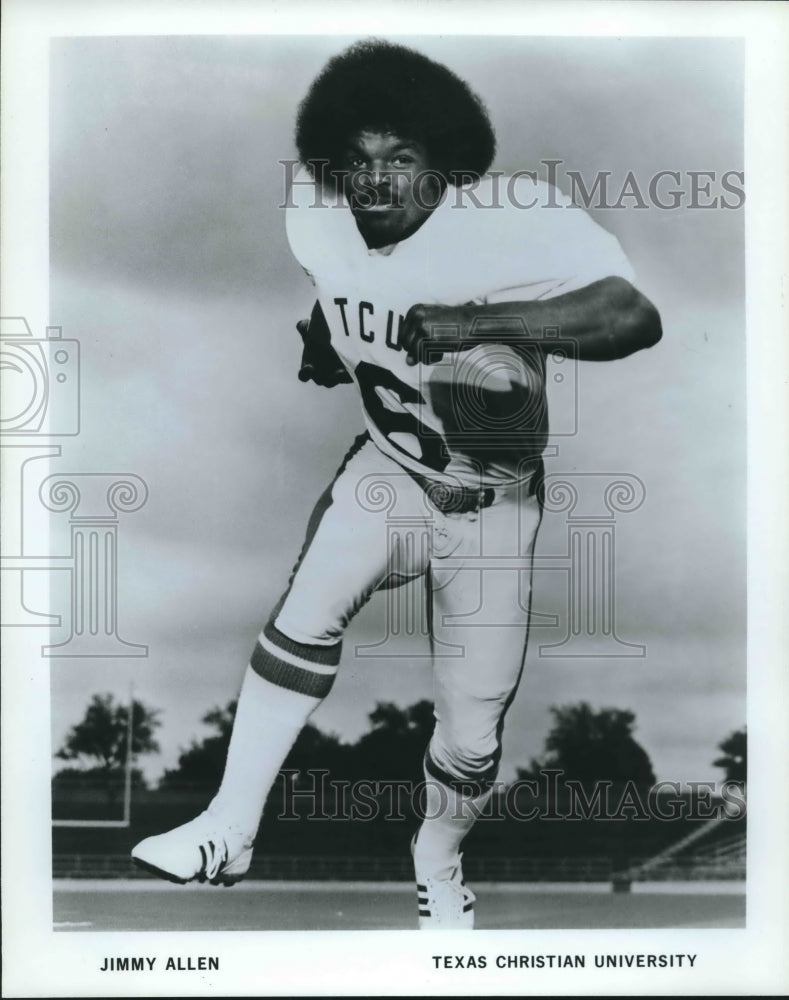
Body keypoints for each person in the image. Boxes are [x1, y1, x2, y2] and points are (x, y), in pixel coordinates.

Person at [132, 39, 662, 929]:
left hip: (493, 503)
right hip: (392, 473)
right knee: (305, 608)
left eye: (402, 159)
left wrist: (476, 322)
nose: (376, 181)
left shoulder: (508, 221)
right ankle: (228, 828)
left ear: (444, 166)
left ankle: (438, 859)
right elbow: (344, 292)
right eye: (359, 161)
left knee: (470, 738)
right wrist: (324, 345)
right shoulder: (316, 219)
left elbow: (631, 316)